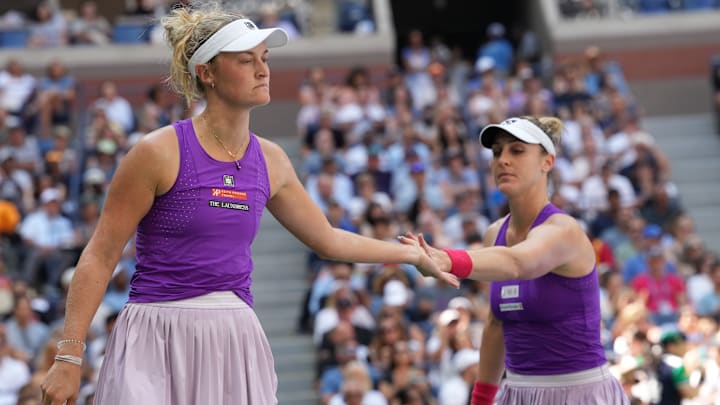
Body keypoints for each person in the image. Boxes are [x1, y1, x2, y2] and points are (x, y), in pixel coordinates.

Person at [39, 4, 456, 405]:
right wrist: (69, 355)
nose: (263, 69)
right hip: (156, 333)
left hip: (234, 334)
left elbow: (329, 240)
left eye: (265, 58)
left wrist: (409, 254)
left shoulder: (272, 159)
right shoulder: (157, 151)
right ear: (208, 74)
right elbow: (100, 254)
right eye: (245, 60)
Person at [401, 116, 629, 404]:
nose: (503, 160)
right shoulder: (494, 233)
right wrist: (481, 399)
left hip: (579, 393)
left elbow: (518, 263)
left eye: (517, 151)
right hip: (516, 392)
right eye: (497, 152)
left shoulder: (564, 231)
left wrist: (446, 259)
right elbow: (497, 323)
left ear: (548, 162)